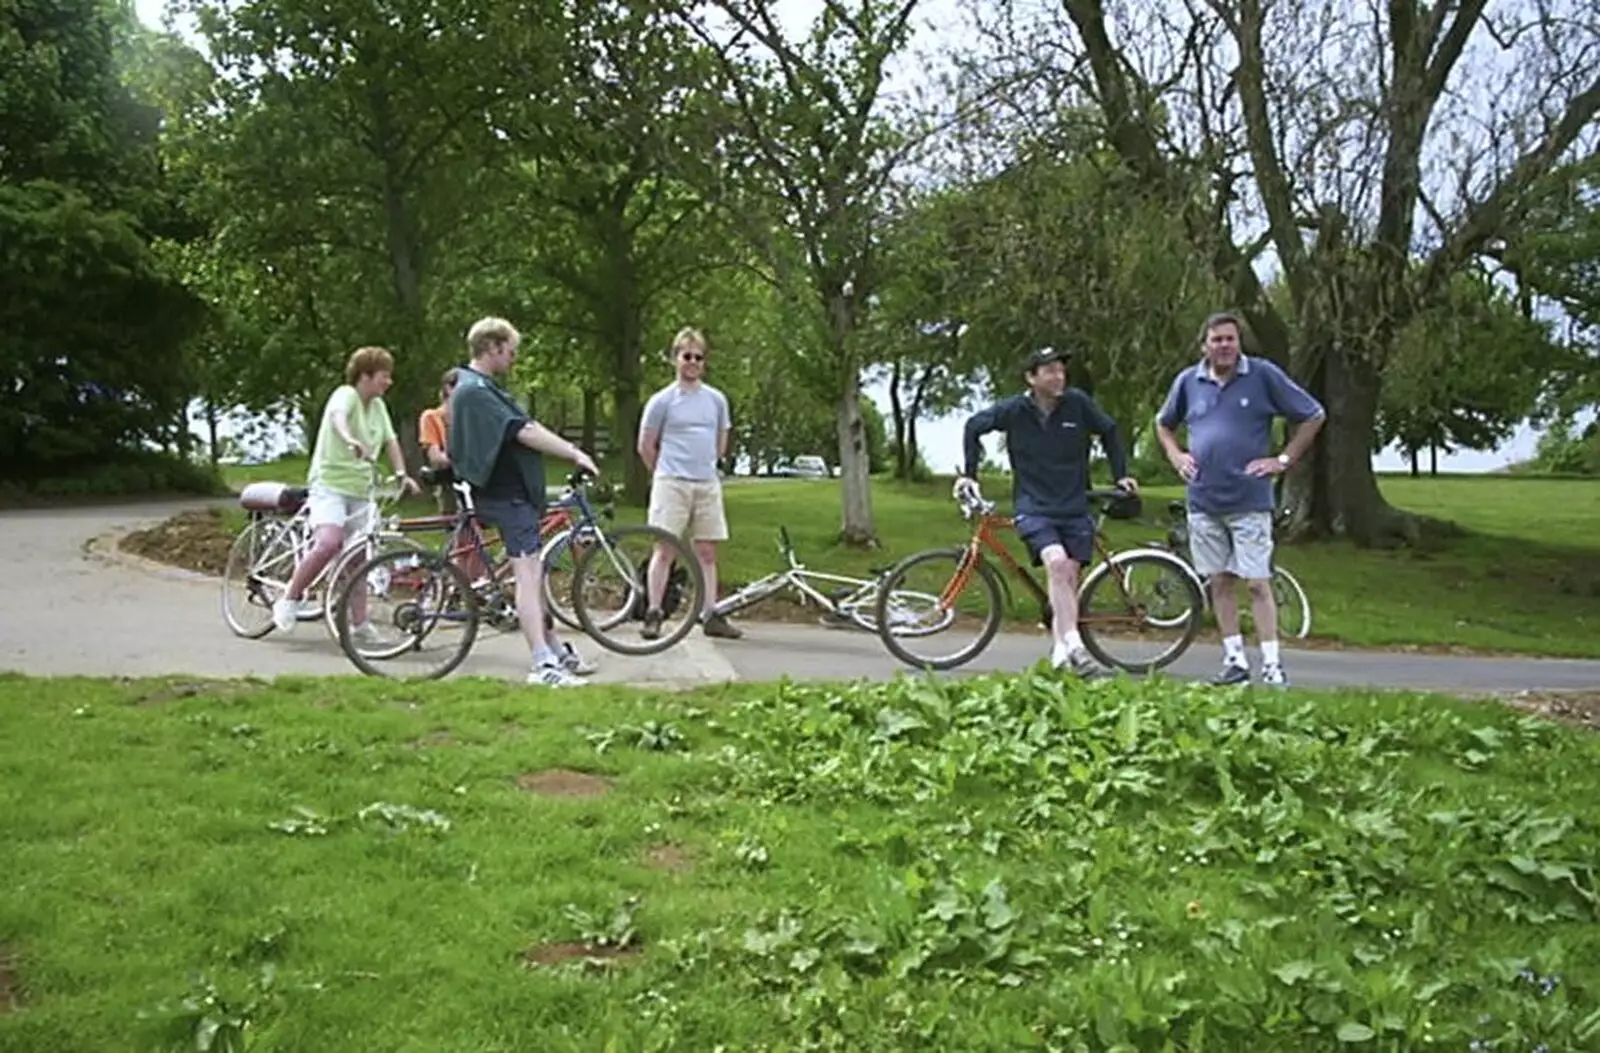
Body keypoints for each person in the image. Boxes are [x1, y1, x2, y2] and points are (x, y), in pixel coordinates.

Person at [1155, 311, 1325, 687]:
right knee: (1219, 581)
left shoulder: (1262, 375)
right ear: (1205, 345)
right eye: (1216, 340)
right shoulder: (1188, 381)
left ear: (1239, 342)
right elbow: (1164, 423)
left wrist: (1283, 460)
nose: (1224, 346)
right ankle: (1234, 661)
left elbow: (1313, 414)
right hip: (1203, 500)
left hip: (1249, 500)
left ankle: (1271, 663)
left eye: (1230, 339)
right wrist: (1176, 455)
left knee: (1256, 582)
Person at [955, 346, 1138, 676]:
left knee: (1067, 578)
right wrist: (970, 473)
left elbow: (1109, 430)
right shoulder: (1014, 410)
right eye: (1050, 371)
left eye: (1061, 370)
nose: (1058, 377)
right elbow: (973, 425)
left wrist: (1120, 473)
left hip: (1074, 505)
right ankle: (1076, 645)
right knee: (1057, 564)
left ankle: (1060, 654)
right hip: (1034, 505)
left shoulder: (1078, 404)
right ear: (1032, 378)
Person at [447, 317, 601, 687]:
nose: (513, 359)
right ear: (493, 347)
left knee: (533, 573)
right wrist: (573, 453)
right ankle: (542, 664)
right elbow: (525, 430)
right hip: (506, 495)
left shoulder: (477, 388)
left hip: (513, 494)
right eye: (510, 352)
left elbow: (524, 423)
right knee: (528, 577)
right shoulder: (476, 391)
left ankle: (554, 651)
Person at [272, 346, 422, 636]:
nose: (388, 382)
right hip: (330, 484)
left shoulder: (378, 407)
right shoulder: (346, 395)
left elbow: (390, 442)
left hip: (361, 489)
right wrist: (350, 438)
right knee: (329, 542)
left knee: (359, 557)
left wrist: (402, 474)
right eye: (384, 376)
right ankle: (290, 599)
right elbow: (338, 418)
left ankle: (360, 623)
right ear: (365, 376)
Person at [637, 326, 741, 640]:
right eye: (687, 356)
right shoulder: (662, 401)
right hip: (672, 483)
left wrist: (707, 466)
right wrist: (664, 473)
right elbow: (646, 445)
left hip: (706, 483)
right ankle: (654, 611)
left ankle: (710, 613)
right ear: (675, 359)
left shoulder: (716, 400)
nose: (693, 362)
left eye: (698, 357)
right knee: (665, 549)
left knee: (707, 551)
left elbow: (720, 442)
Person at [417, 367, 459, 513]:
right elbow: (436, 459)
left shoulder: (473, 418)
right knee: (457, 526)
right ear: (449, 389)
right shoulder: (432, 417)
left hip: (479, 484)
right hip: (451, 483)